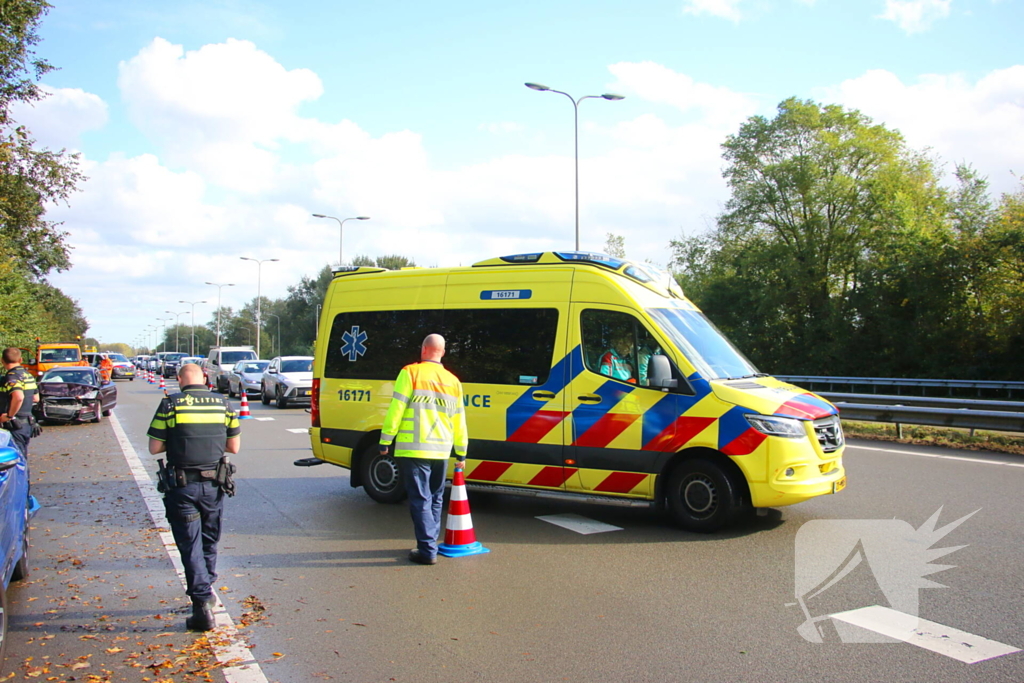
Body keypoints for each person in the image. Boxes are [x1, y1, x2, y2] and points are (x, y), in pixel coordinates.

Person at [148, 363, 241, 631]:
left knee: (190, 544)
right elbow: (233, 446)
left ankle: (201, 604)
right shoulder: (223, 404)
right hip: (214, 485)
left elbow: (154, 447)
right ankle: (206, 589)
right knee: (209, 540)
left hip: (182, 487)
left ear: (180, 380)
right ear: (205, 378)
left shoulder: (170, 404)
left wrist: (178, 441)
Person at [379, 334, 468, 565]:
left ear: (424, 349)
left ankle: (427, 550)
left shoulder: (410, 373)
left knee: (420, 499)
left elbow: (396, 408)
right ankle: (430, 544)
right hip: (441, 449)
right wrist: (461, 451)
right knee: (436, 498)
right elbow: (460, 420)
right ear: (443, 352)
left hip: (415, 448)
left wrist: (385, 439)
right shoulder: (453, 381)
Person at [0, 348, 39, 456]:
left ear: (2, 360)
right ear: (21, 360)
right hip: (27, 423)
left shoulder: (11, 376)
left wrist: (9, 416)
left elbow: (18, 397)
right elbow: (36, 398)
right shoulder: (28, 375)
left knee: (15, 458)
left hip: (14, 424)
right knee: (22, 455)